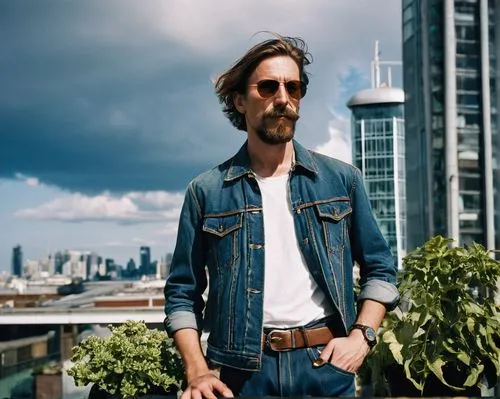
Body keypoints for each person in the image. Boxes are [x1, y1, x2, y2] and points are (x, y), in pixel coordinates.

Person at [164, 34, 399, 398]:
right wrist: (196, 370)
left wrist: (362, 336)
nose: (283, 98)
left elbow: (380, 269)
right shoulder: (206, 191)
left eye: (294, 87)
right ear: (239, 100)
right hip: (240, 376)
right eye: (269, 87)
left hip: (326, 366)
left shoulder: (341, 181)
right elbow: (182, 292)